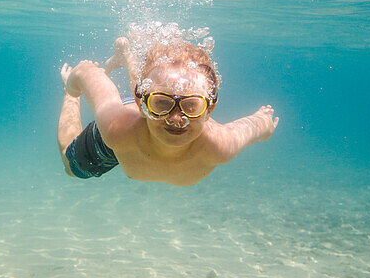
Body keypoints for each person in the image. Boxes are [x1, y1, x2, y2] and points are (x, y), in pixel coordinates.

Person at [57, 36, 278, 187]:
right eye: (163, 104)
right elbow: (86, 72)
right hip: (135, 123)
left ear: (210, 109)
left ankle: (129, 59)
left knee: (156, 88)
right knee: (71, 168)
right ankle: (133, 68)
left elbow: (253, 129)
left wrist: (263, 123)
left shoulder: (220, 145)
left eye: (192, 106)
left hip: (148, 105)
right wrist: (71, 92)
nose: (176, 118)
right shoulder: (117, 126)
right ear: (140, 103)